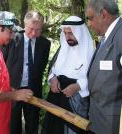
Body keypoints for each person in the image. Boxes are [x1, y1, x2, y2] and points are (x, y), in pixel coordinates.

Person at [41, 16, 94, 134]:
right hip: (56, 100)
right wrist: (52, 79)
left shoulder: (90, 51)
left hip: (76, 101)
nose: (67, 37)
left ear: (79, 32)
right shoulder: (63, 48)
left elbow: (95, 76)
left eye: (70, 33)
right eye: (65, 33)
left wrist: (78, 86)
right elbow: (52, 70)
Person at [1, 10, 51, 134]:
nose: (34, 33)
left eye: (38, 30)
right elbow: (2, 62)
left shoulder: (45, 44)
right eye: (31, 29)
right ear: (25, 25)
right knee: (13, 125)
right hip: (13, 90)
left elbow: (42, 66)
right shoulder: (12, 39)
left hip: (33, 91)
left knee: (33, 124)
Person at [85, 0, 122, 134]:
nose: (89, 24)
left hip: (112, 125)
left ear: (103, 14)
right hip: (99, 120)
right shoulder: (107, 36)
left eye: (90, 18)